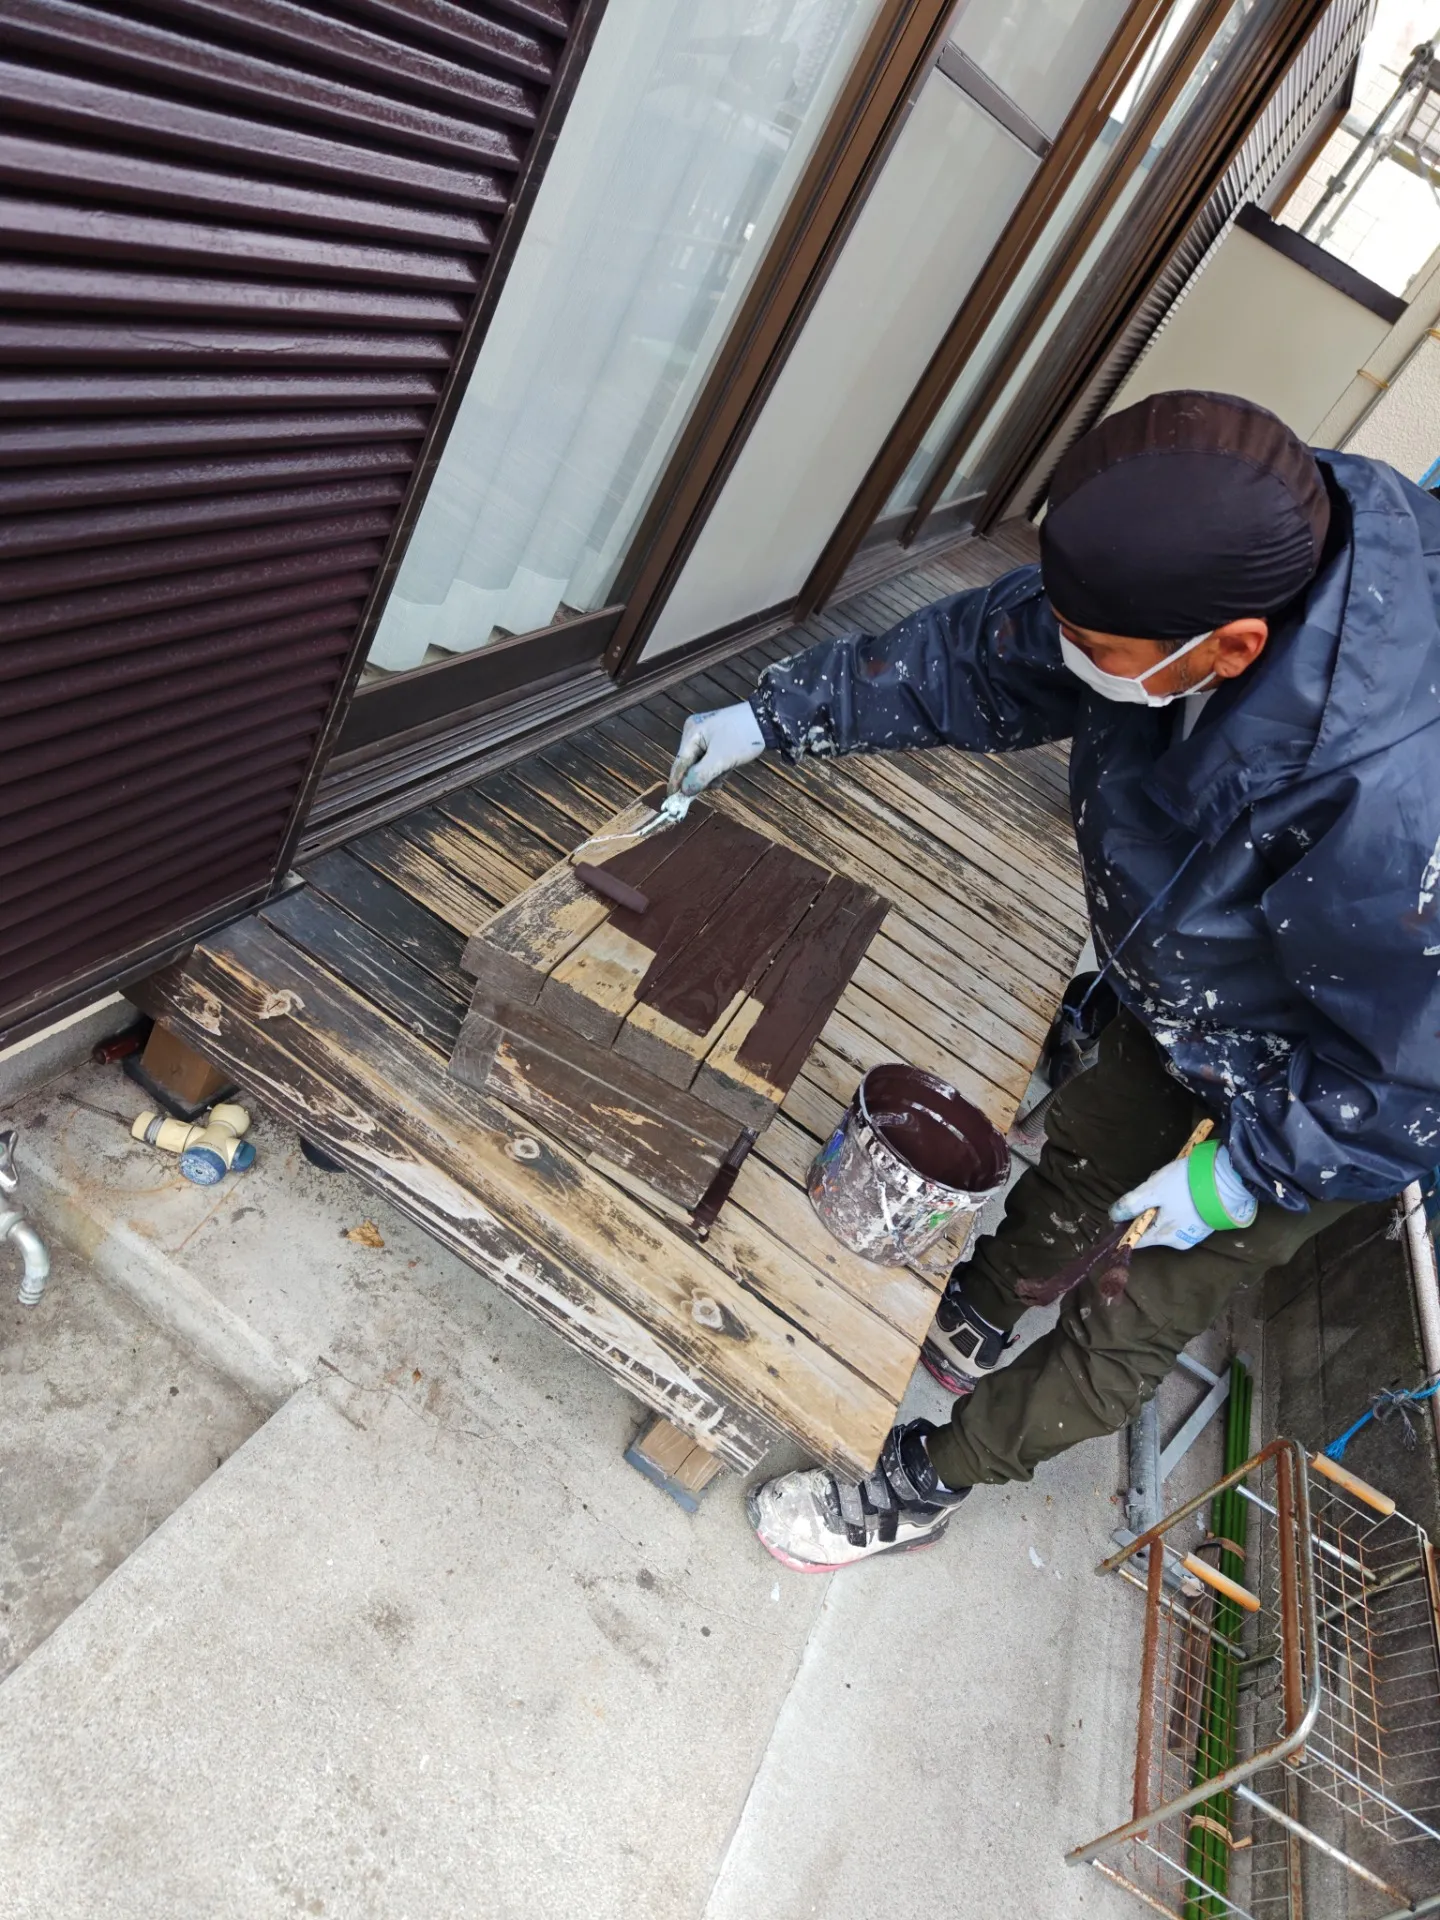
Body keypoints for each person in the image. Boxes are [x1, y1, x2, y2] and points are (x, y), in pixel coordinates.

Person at [665, 389, 1440, 1573]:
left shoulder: (1393, 806)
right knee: (1092, 1143)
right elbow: (992, 650)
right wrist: (781, 715)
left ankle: (924, 1483)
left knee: (1138, 1298)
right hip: (1202, 976)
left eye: (1101, 651)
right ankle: (985, 1302)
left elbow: (1413, 1070)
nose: (1070, 658)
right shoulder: (1239, 539)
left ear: (1231, 650)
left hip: (1340, 1096)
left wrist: (1243, 1178)